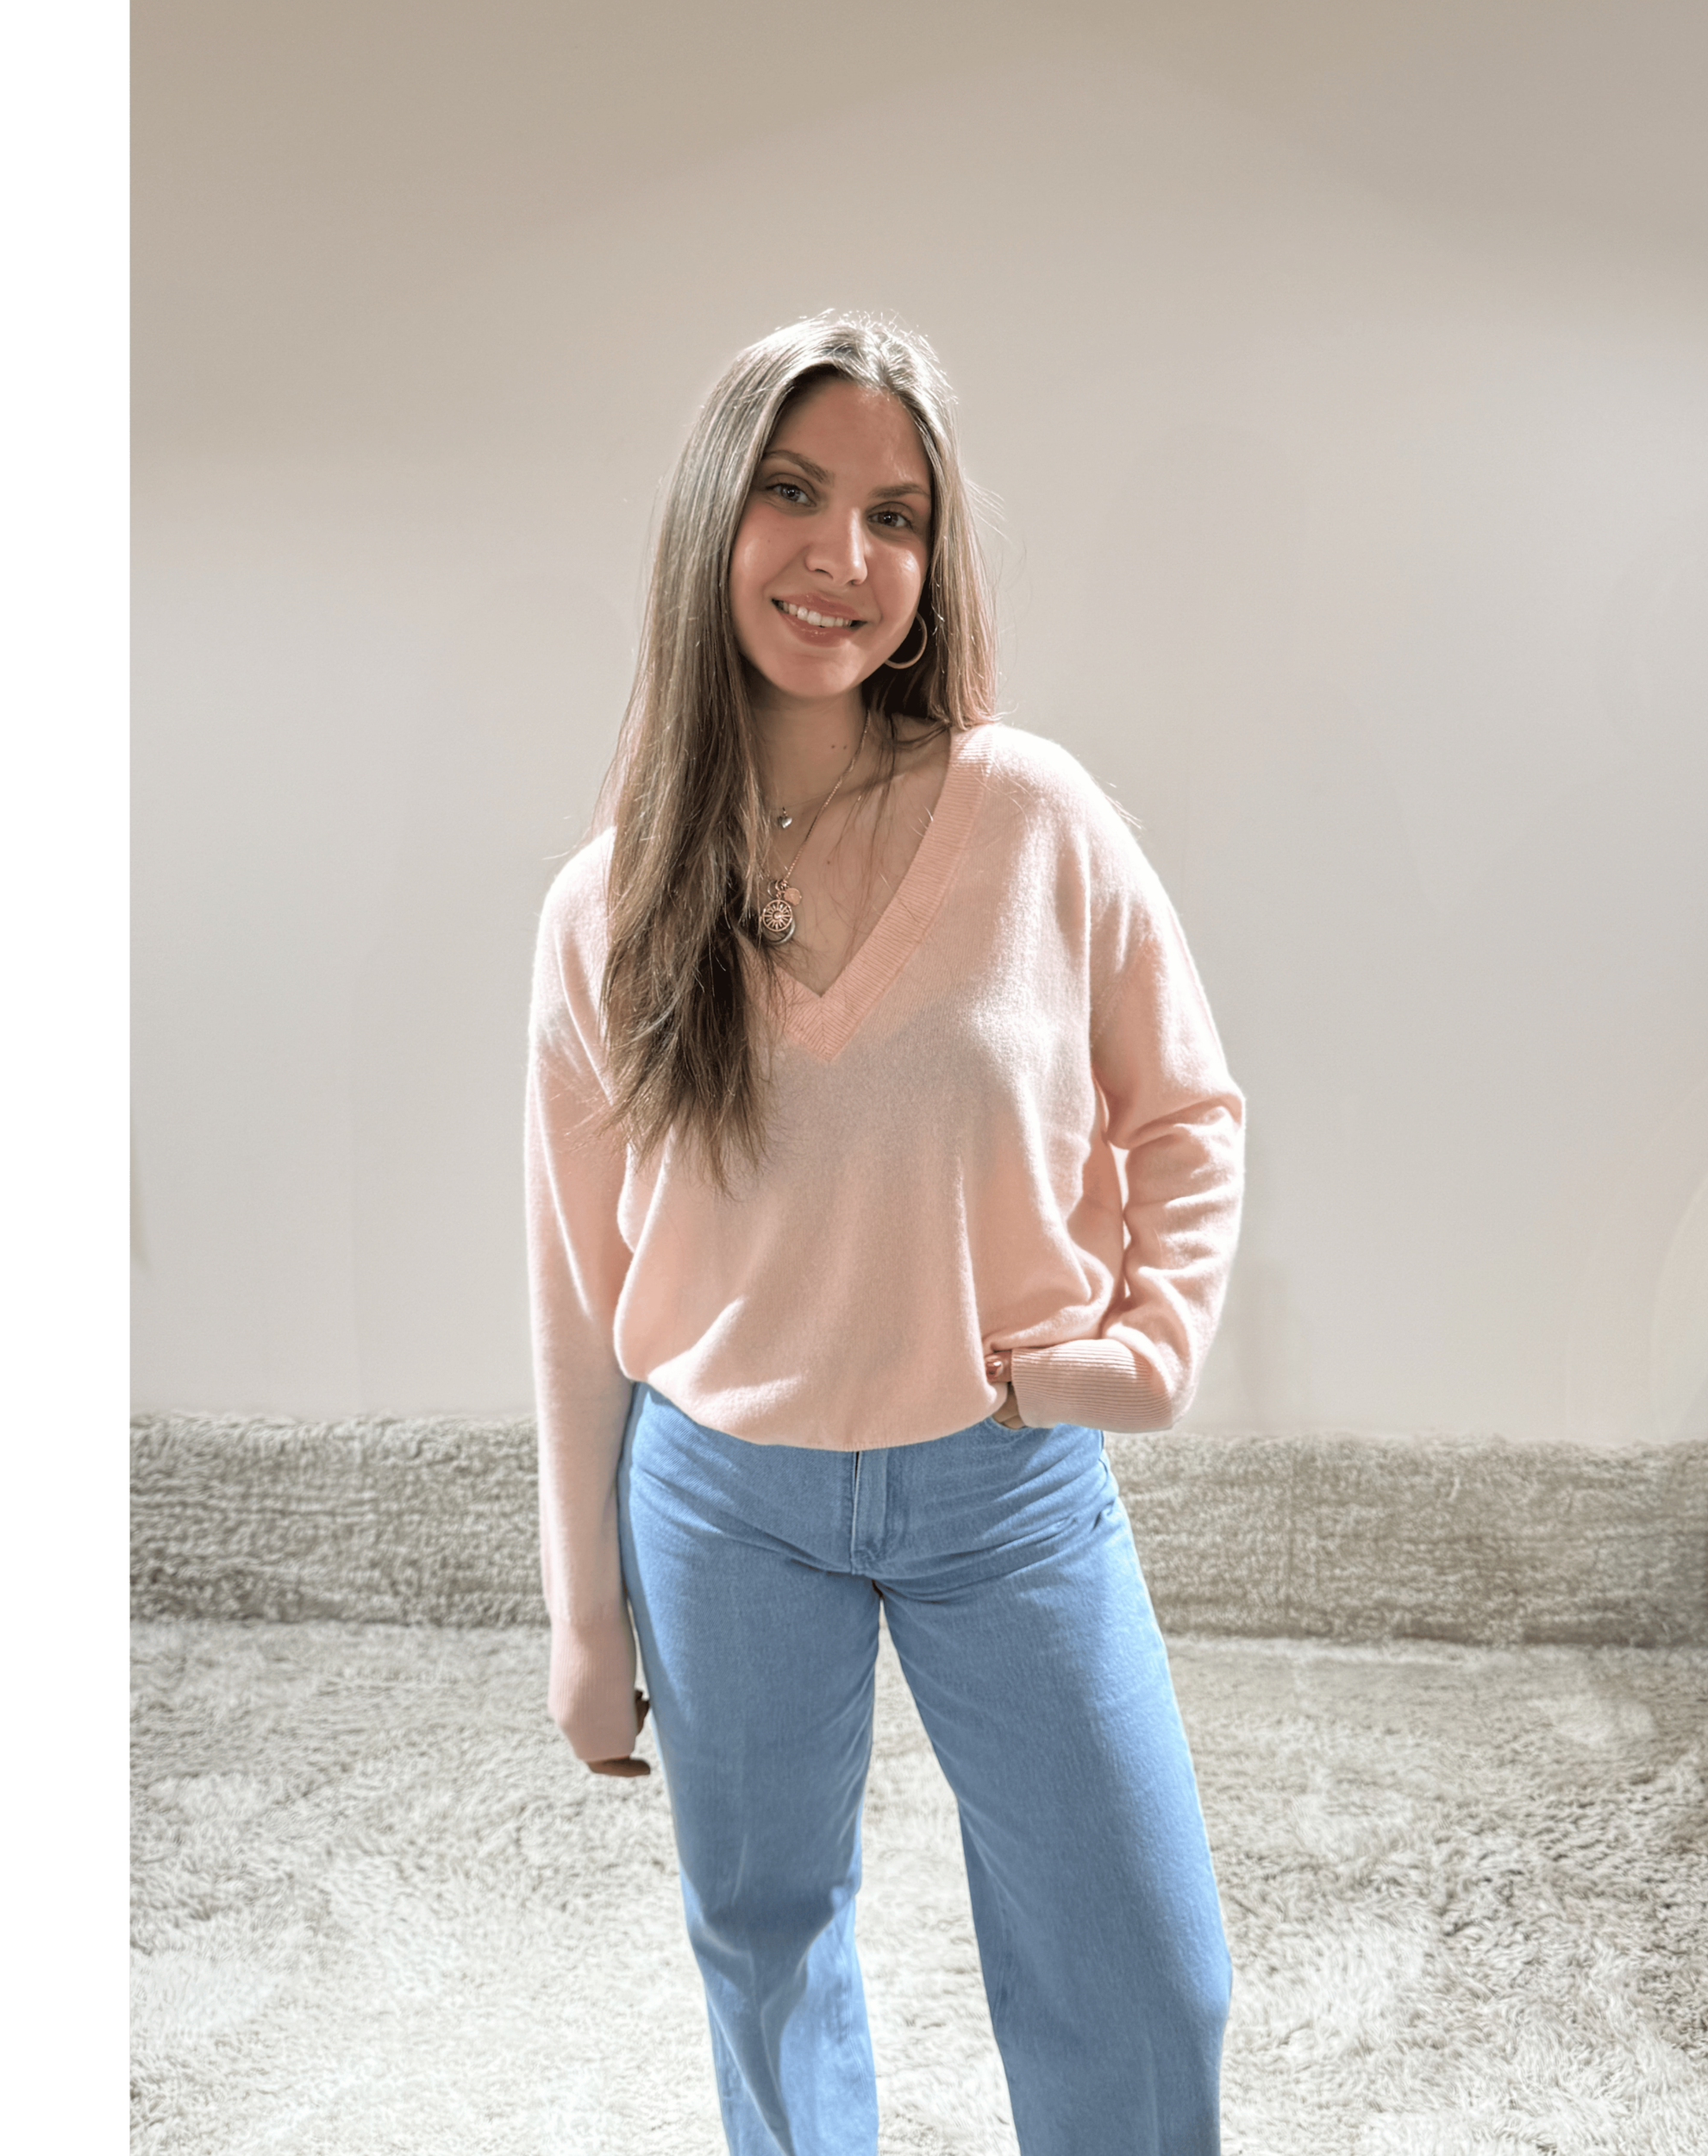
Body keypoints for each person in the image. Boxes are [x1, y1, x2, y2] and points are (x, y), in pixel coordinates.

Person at [526, 314, 1245, 2155]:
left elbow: (1184, 1109)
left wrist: (1148, 1348)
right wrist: (585, 1613)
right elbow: (582, 1290)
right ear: (716, 515)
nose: (840, 555)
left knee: (1147, 1974)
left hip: (1004, 1482)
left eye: (893, 515)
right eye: (792, 491)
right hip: (720, 1498)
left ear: (932, 563)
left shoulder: (1032, 819)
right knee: (766, 1946)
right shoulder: (608, 907)